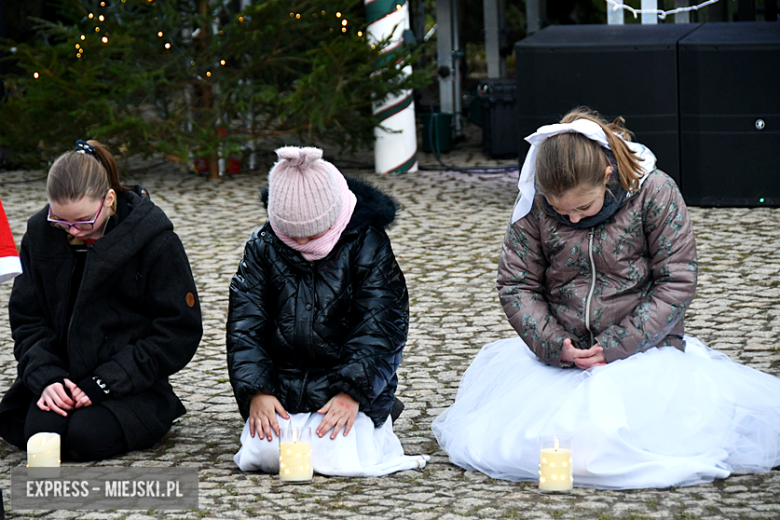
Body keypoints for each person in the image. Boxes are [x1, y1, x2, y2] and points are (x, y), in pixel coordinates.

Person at [432, 108, 780, 489]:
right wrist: (554, 344)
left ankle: (593, 464)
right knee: (529, 441)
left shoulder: (655, 191)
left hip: (643, 350)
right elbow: (517, 284)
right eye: (561, 210)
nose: (574, 219)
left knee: (619, 437)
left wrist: (615, 346)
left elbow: (676, 281)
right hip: (564, 352)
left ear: (607, 175)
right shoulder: (535, 206)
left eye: (584, 207)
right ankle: (561, 473)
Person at [227, 146, 428, 476]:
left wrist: (353, 391)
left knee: (337, 455)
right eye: (292, 235)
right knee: (262, 454)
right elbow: (245, 326)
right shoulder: (263, 245)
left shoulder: (368, 243)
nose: (303, 242)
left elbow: (381, 326)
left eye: (313, 233)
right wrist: (257, 391)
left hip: (344, 384)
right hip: (282, 385)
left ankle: (376, 418)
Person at [0, 140, 202, 461]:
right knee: (40, 436)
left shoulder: (157, 242)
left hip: (129, 381)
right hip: (61, 375)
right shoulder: (41, 232)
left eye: (82, 222)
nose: (73, 232)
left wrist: (107, 381)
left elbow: (178, 330)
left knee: (85, 438)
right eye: (60, 221)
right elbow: (28, 318)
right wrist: (46, 378)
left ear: (109, 200)